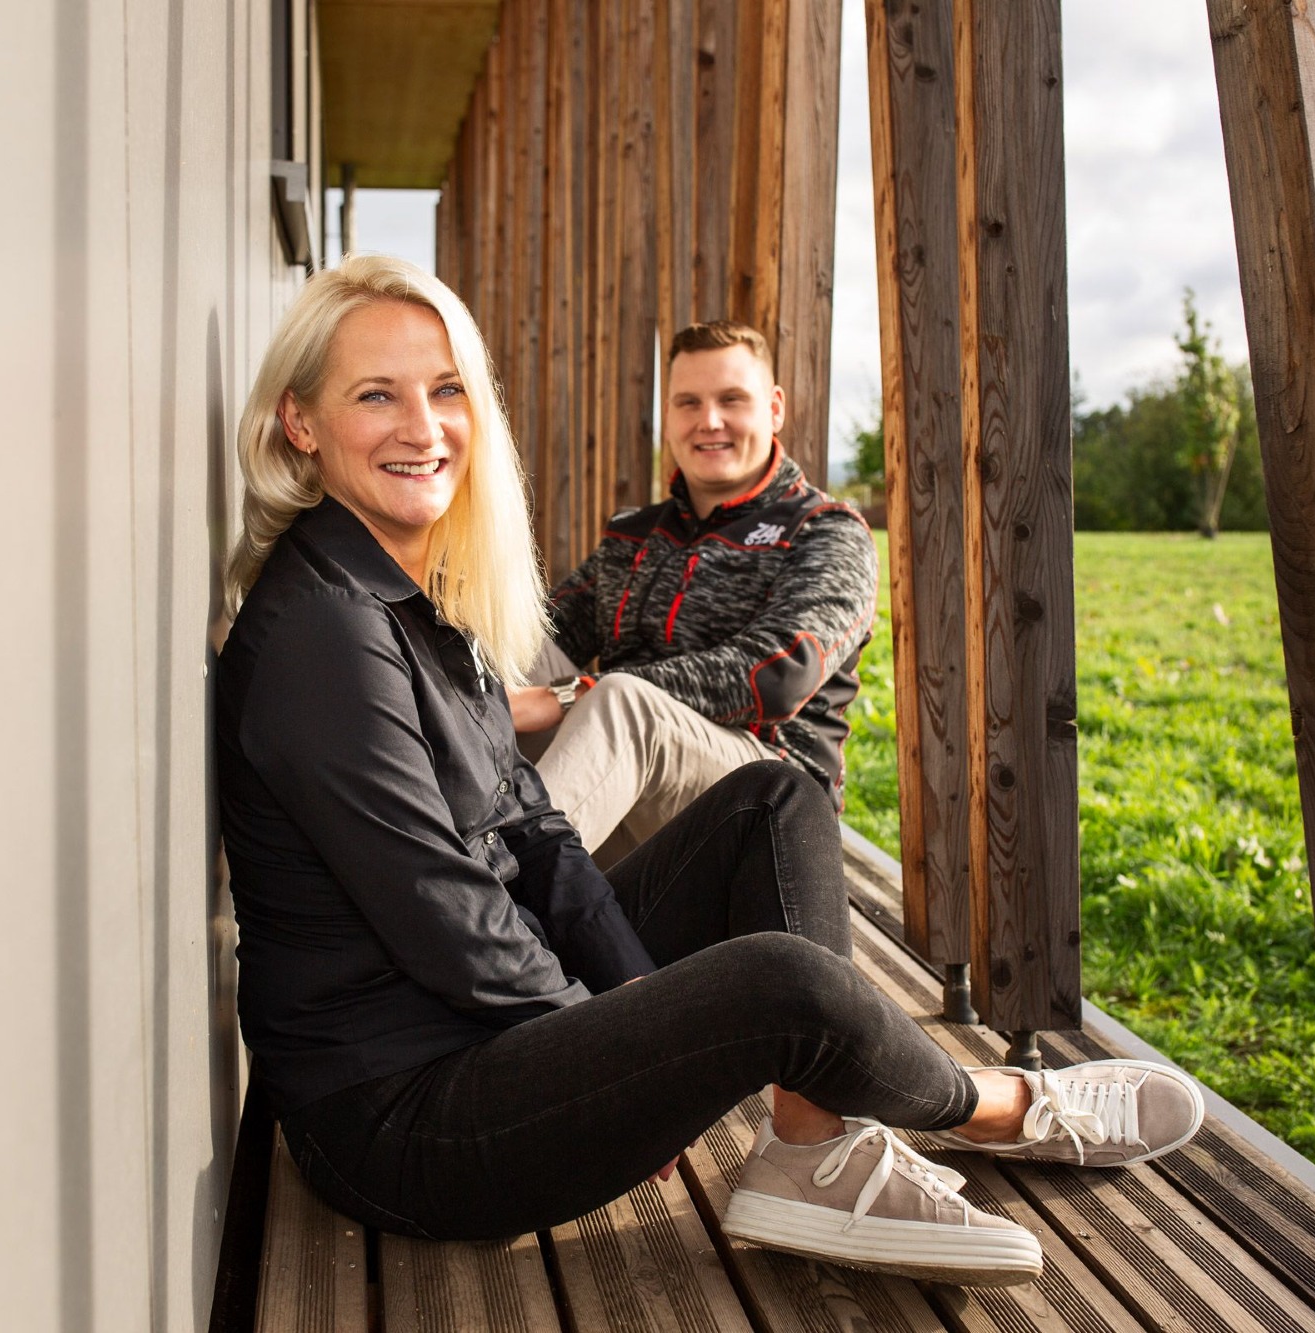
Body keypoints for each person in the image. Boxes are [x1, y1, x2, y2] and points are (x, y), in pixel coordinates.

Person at [215, 255, 1202, 1285]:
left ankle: (811, 1146)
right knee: (778, 982)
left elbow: (540, 839)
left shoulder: (413, 599)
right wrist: (613, 1054)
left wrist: (645, 1025)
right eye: (376, 394)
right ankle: (1001, 1107)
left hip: (460, 1028)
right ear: (300, 422)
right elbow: (446, 914)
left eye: (446, 387)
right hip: (399, 1124)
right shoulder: (324, 630)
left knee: (770, 798)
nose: (422, 426)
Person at [510, 321, 876, 860]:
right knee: (502, 648)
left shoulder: (826, 530)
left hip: (763, 812)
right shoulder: (635, 532)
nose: (709, 422)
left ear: (774, 407)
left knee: (621, 701)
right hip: (619, 793)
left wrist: (577, 692)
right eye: (688, 403)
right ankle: (405, 852)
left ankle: (487, 912)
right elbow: (540, 631)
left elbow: (777, 675)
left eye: (731, 399)